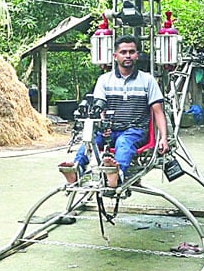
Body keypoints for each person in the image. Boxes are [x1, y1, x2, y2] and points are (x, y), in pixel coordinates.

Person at [59, 34, 169, 188]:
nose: (128, 55)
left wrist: (163, 138)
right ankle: (76, 169)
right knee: (90, 140)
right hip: (109, 130)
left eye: (131, 52)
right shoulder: (104, 80)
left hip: (135, 130)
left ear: (137, 55)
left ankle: (117, 176)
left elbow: (158, 112)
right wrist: (103, 125)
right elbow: (100, 107)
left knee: (124, 142)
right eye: (123, 52)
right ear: (115, 56)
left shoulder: (147, 80)